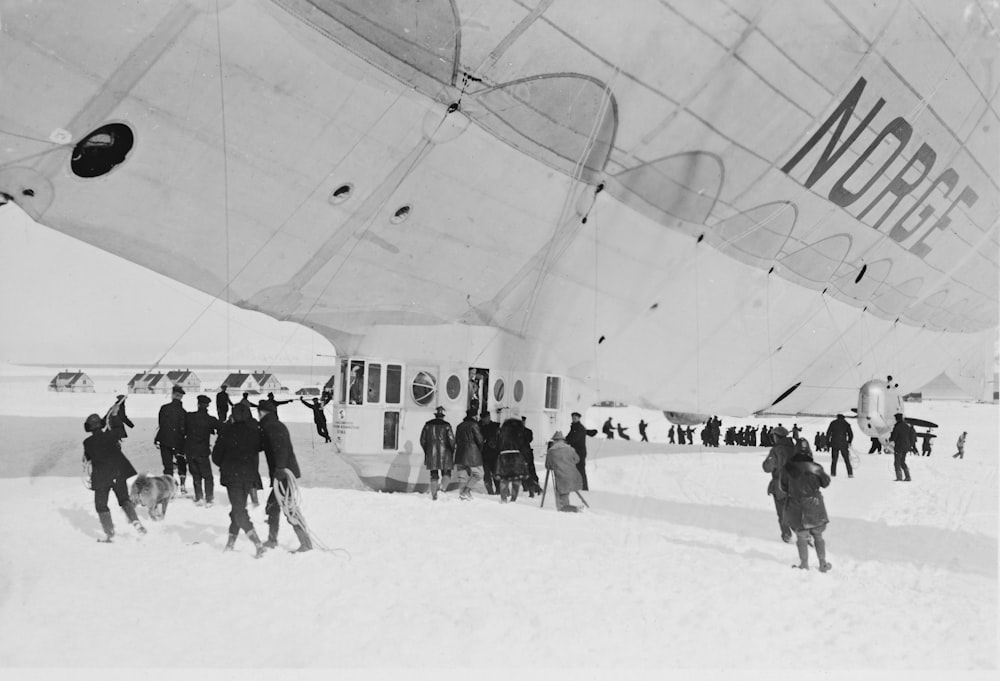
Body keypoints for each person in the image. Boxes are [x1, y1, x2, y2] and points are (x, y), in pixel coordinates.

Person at [212, 402, 266, 557]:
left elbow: (216, 457)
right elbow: (259, 448)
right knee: (238, 508)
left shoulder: (226, 432)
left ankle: (258, 544)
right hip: (248, 476)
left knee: (238, 511)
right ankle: (230, 543)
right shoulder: (254, 432)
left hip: (232, 477)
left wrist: (226, 462)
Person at [258, 401, 311, 552]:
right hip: (281, 473)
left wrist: (280, 468)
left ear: (262, 412)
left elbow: (280, 447)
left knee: (289, 508)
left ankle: (305, 543)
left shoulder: (272, 427)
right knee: (273, 507)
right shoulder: (273, 425)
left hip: (283, 474)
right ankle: (272, 539)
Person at [83, 413, 145, 542]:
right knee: (124, 500)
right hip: (118, 473)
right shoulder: (111, 435)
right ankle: (135, 521)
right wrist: (116, 415)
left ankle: (109, 533)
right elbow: (119, 430)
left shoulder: (87, 443)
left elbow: (88, 458)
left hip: (101, 477)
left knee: (101, 505)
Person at [779, 441, 832, 572]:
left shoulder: (787, 468)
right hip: (815, 506)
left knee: (801, 537)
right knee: (818, 536)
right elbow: (825, 483)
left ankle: (804, 564)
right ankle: (822, 563)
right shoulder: (816, 467)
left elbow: (783, 487)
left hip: (796, 507)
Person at [762, 425, 795, 543]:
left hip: (780, 486)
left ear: (776, 437)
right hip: (795, 485)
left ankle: (786, 535)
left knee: (782, 512)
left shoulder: (776, 450)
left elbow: (767, 467)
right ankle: (804, 534)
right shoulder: (794, 448)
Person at [185, 395, 219, 506]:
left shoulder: (189, 417)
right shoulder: (210, 420)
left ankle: (199, 497)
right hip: (202, 452)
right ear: (207, 405)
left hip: (190, 451)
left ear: (198, 404)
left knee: (196, 475)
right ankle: (209, 498)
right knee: (208, 476)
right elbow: (221, 428)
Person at [155, 385, 188, 495]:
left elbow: (161, 424)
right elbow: (184, 428)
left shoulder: (164, 408)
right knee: (181, 462)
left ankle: (169, 488)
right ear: (181, 397)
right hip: (179, 442)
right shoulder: (183, 412)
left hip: (165, 440)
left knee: (167, 465)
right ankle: (182, 485)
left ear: (173, 395)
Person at [419, 406, 456, 500]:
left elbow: (422, 440)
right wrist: (452, 450)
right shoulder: (447, 425)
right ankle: (442, 489)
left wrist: (427, 450)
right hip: (446, 453)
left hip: (432, 453)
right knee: (446, 473)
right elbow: (451, 440)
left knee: (434, 474)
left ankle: (434, 495)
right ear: (443, 416)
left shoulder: (427, 425)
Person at [545, 431, 583, 512]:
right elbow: (577, 459)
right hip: (573, 476)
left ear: (554, 441)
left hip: (561, 478)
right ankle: (575, 507)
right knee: (568, 491)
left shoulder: (551, 451)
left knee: (562, 502)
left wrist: (556, 465)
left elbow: (548, 465)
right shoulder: (571, 449)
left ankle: (574, 509)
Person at [495, 418, 530, 503]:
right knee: (516, 478)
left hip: (504, 456)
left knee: (504, 478)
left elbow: (495, 444)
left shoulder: (500, 431)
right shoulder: (519, 432)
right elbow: (524, 445)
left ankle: (503, 499)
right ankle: (513, 499)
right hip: (516, 456)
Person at [454, 408, 484, 501]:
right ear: (475, 416)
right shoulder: (474, 425)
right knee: (479, 474)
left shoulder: (459, 426)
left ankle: (462, 496)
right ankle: (466, 491)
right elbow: (479, 440)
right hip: (472, 454)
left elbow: (456, 439)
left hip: (460, 453)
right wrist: (479, 450)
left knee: (462, 475)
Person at [565, 412, 596, 491]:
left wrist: (566, 441)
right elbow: (569, 437)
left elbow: (573, 439)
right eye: (573, 418)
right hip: (575, 451)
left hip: (580, 452)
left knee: (580, 469)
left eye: (575, 418)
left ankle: (584, 487)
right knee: (575, 469)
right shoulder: (574, 427)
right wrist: (564, 439)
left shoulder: (579, 428)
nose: (574, 419)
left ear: (579, 418)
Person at [825, 413, 854, 478]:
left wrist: (828, 443)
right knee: (847, 460)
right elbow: (851, 435)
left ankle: (833, 473)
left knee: (834, 460)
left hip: (834, 443)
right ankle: (850, 474)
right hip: (843, 443)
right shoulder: (846, 424)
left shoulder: (833, 423)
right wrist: (849, 442)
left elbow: (828, 434)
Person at [479, 411, 500, 495]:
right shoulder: (479, 427)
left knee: (495, 473)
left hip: (494, 454)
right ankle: (490, 491)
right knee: (487, 473)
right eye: (485, 418)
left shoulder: (495, 426)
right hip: (485, 454)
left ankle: (498, 490)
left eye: (488, 417)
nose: (487, 419)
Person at [889, 413, 913, 481]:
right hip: (906, 447)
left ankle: (899, 478)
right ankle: (908, 477)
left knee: (897, 462)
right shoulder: (907, 426)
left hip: (899, 446)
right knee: (902, 461)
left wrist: (891, 437)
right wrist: (910, 445)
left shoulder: (897, 427)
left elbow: (893, 438)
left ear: (896, 419)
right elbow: (911, 436)